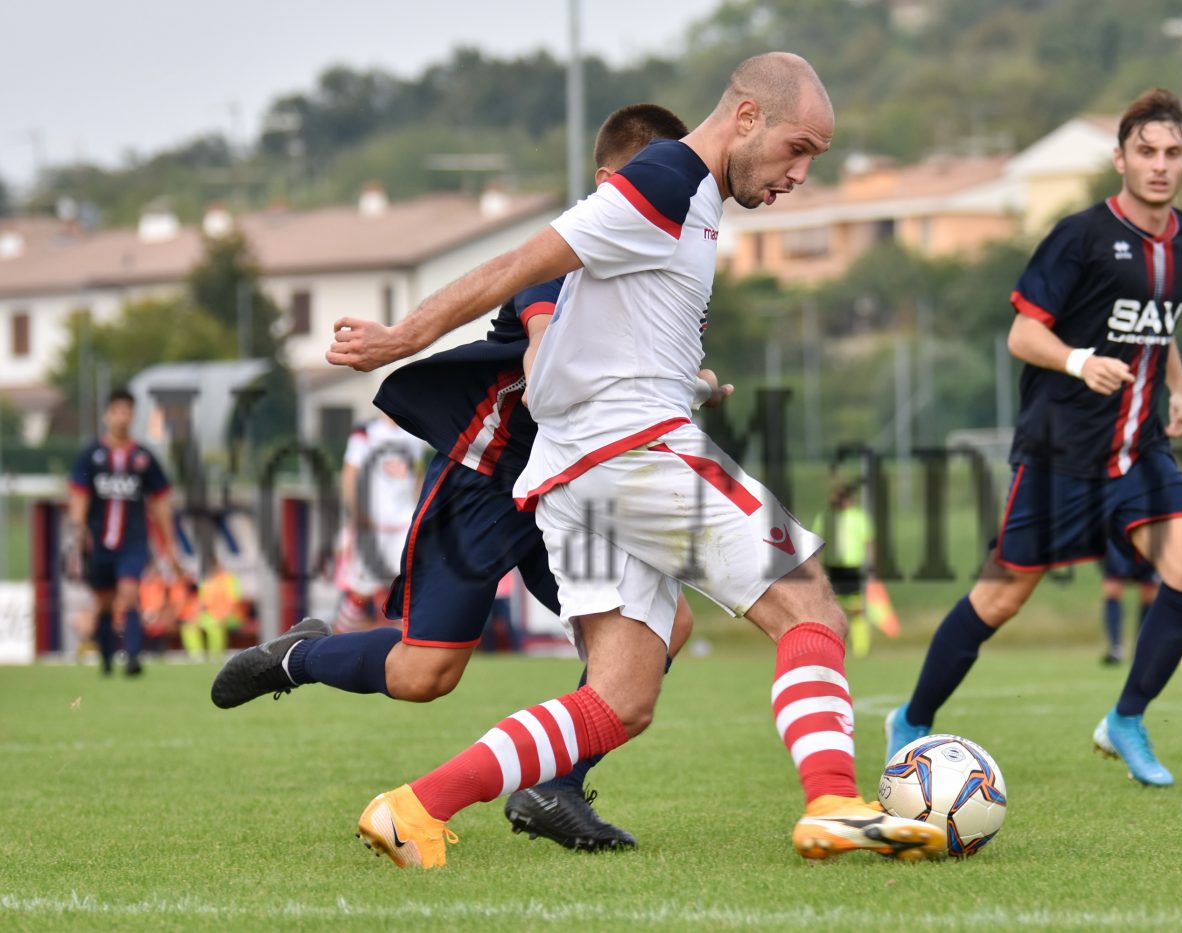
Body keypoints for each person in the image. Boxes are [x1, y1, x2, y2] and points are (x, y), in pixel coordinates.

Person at [326, 53, 945, 869]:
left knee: (620, 698)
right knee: (810, 606)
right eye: (798, 148)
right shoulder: (667, 178)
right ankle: (832, 801)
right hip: (632, 451)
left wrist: (685, 382)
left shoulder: (693, 199)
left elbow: (613, 329)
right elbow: (518, 265)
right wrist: (400, 338)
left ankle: (413, 808)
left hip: (578, 469)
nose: (800, 173)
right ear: (747, 117)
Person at [213, 104, 708, 855]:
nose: (676, 195)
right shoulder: (570, 257)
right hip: (488, 480)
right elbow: (546, 346)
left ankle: (556, 786)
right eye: (661, 177)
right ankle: (298, 656)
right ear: (611, 182)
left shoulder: (657, 270)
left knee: (665, 628)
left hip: (571, 487)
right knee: (424, 674)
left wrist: (689, 385)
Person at [886, 88, 1182, 788]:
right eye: (1146, 152)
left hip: (1139, 452)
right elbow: (1023, 333)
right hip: (1060, 453)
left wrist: (1179, 386)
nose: (1159, 164)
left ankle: (1125, 719)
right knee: (999, 599)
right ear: (1120, 158)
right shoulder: (1080, 236)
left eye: (1172, 152)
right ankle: (910, 719)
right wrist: (1079, 361)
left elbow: (1160, 321)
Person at [68, 389, 177, 676]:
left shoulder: (143, 458)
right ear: (107, 415)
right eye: (116, 411)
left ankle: (132, 659)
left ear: (133, 416)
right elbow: (79, 495)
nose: (121, 417)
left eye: (126, 412)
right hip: (99, 541)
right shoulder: (91, 456)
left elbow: (161, 501)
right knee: (104, 602)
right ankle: (106, 658)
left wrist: (169, 541)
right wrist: (78, 530)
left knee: (129, 593)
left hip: (133, 540)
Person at [333, 414, 424, 632]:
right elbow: (349, 474)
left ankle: (408, 639)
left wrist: (421, 511)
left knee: (410, 586)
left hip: (404, 524)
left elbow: (417, 475)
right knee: (361, 590)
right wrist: (357, 513)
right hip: (374, 525)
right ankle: (335, 637)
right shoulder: (366, 433)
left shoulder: (415, 432)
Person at [811, 484, 874, 657]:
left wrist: (871, 566)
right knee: (829, 609)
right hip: (832, 568)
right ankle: (830, 646)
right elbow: (816, 543)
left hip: (853, 568)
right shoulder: (825, 517)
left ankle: (861, 649)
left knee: (857, 609)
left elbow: (869, 542)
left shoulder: (859, 517)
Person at [1098, 539, 1158, 665]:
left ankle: (1141, 647)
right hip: (1118, 537)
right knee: (1112, 589)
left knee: (1149, 594)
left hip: (1147, 537)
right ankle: (1115, 648)